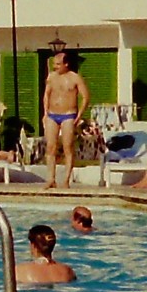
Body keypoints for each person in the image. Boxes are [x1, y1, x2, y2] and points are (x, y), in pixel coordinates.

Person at [40, 52, 89, 189]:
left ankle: (66, 180)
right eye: (54, 64)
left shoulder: (75, 78)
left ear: (66, 64)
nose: (55, 67)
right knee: (50, 147)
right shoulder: (51, 77)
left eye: (58, 64)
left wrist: (79, 115)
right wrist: (45, 112)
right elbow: (46, 94)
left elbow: (85, 97)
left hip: (68, 115)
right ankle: (51, 179)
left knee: (67, 147)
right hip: (52, 114)